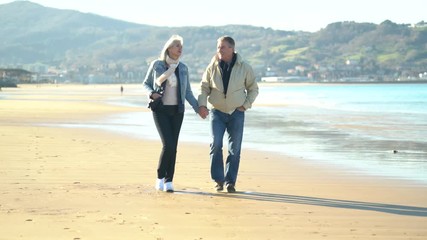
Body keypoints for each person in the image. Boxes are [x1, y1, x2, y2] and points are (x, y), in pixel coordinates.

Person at [198, 36, 259, 193]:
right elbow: (204, 87)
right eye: (218, 47)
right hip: (217, 111)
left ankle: (230, 182)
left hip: (236, 113)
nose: (219, 49)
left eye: (223, 47)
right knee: (216, 144)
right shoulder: (212, 67)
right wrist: (202, 105)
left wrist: (245, 105)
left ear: (232, 48)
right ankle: (218, 179)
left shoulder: (244, 67)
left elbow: (253, 88)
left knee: (235, 149)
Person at [143, 35, 199, 192]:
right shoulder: (157, 65)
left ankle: (169, 180)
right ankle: (160, 177)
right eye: (176, 45)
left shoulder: (183, 68)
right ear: (168, 48)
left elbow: (187, 92)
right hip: (160, 109)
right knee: (168, 144)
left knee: (173, 146)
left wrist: (197, 108)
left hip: (177, 111)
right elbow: (146, 83)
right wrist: (151, 93)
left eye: (181, 46)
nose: (180, 48)